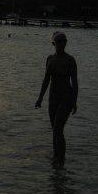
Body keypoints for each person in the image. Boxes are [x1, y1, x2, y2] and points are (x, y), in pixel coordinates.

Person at [35, 31, 78, 163]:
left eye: (64, 41)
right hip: (53, 96)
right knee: (54, 129)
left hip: (66, 96)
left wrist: (74, 101)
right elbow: (46, 79)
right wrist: (40, 98)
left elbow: (74, 82)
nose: (61, 44)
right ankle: (56, 158)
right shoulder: (50, 59)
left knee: (58, 127)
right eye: (58, 41)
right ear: (53, 43)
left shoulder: (70, 60)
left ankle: (61, 158)